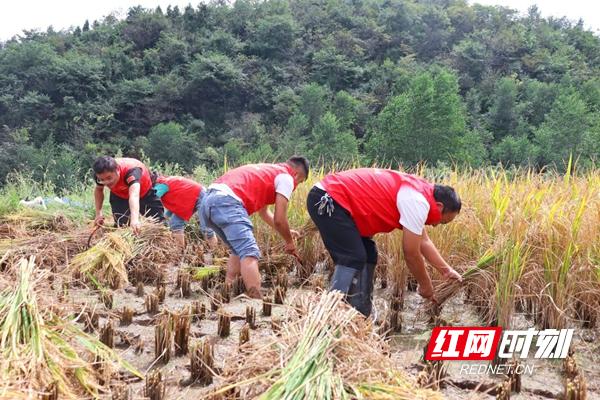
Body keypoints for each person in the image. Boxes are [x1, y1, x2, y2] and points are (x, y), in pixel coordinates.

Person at [307, 167, 463, 317]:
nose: (435, 225)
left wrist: (446, 270)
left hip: (339, 202)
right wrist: (425, 284)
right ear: (439, 206)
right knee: (353, 256)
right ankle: (330, 315)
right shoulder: (417, 201)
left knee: (369, 253)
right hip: (328, 199)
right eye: (442, 222)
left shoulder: (418, 194)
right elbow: (411, 253)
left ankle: (359, 315)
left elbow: (424, 241)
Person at [199, 156, 310, 298]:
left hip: (208, 202)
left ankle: (227, 290)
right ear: (297, 174)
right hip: (227, 201)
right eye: (300, 182)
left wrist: (288, 232)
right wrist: (289, 242)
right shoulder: (287, 178)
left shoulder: (269, 171)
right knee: (249, 251)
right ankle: (256, 299)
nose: (296, 185)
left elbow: (264, 213)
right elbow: (279, 219)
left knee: (238, 250)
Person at [93, 156, 163, 234]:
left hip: (143, 192)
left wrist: (134, 219)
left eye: (109, 178)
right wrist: (98, 213)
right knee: (122, 225)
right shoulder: (99, 175)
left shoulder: (132, 171)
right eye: (102, 180)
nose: (106, 182)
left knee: (158, 222)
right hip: (119, 195)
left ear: (117, 170)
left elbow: (134, 195)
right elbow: (99, 190)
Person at [153, 174, 218, 250]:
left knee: (206, 230)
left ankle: (214, 252)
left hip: (200, 195)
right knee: (175, 224)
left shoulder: (161, 185)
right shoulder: (165, 183)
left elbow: (153, 199)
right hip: (189, 199)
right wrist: (164, 217)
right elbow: (175, 204)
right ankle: (179, 253)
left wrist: (150, 219)